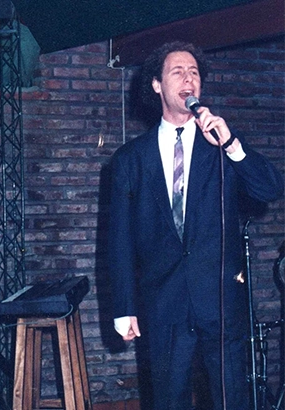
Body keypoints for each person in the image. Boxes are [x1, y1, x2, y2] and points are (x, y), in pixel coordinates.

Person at [108, 41, 283, 410]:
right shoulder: (130, 160)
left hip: (219, 301)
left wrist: (231, 144)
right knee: (168, 401)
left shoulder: (220, 144)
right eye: (178, 72)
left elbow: (269, 188)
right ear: (157, 85)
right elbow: (119, 241)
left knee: (231, 401)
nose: (189, 79)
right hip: (163, 303)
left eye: (194, 73)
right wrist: (124, 306)